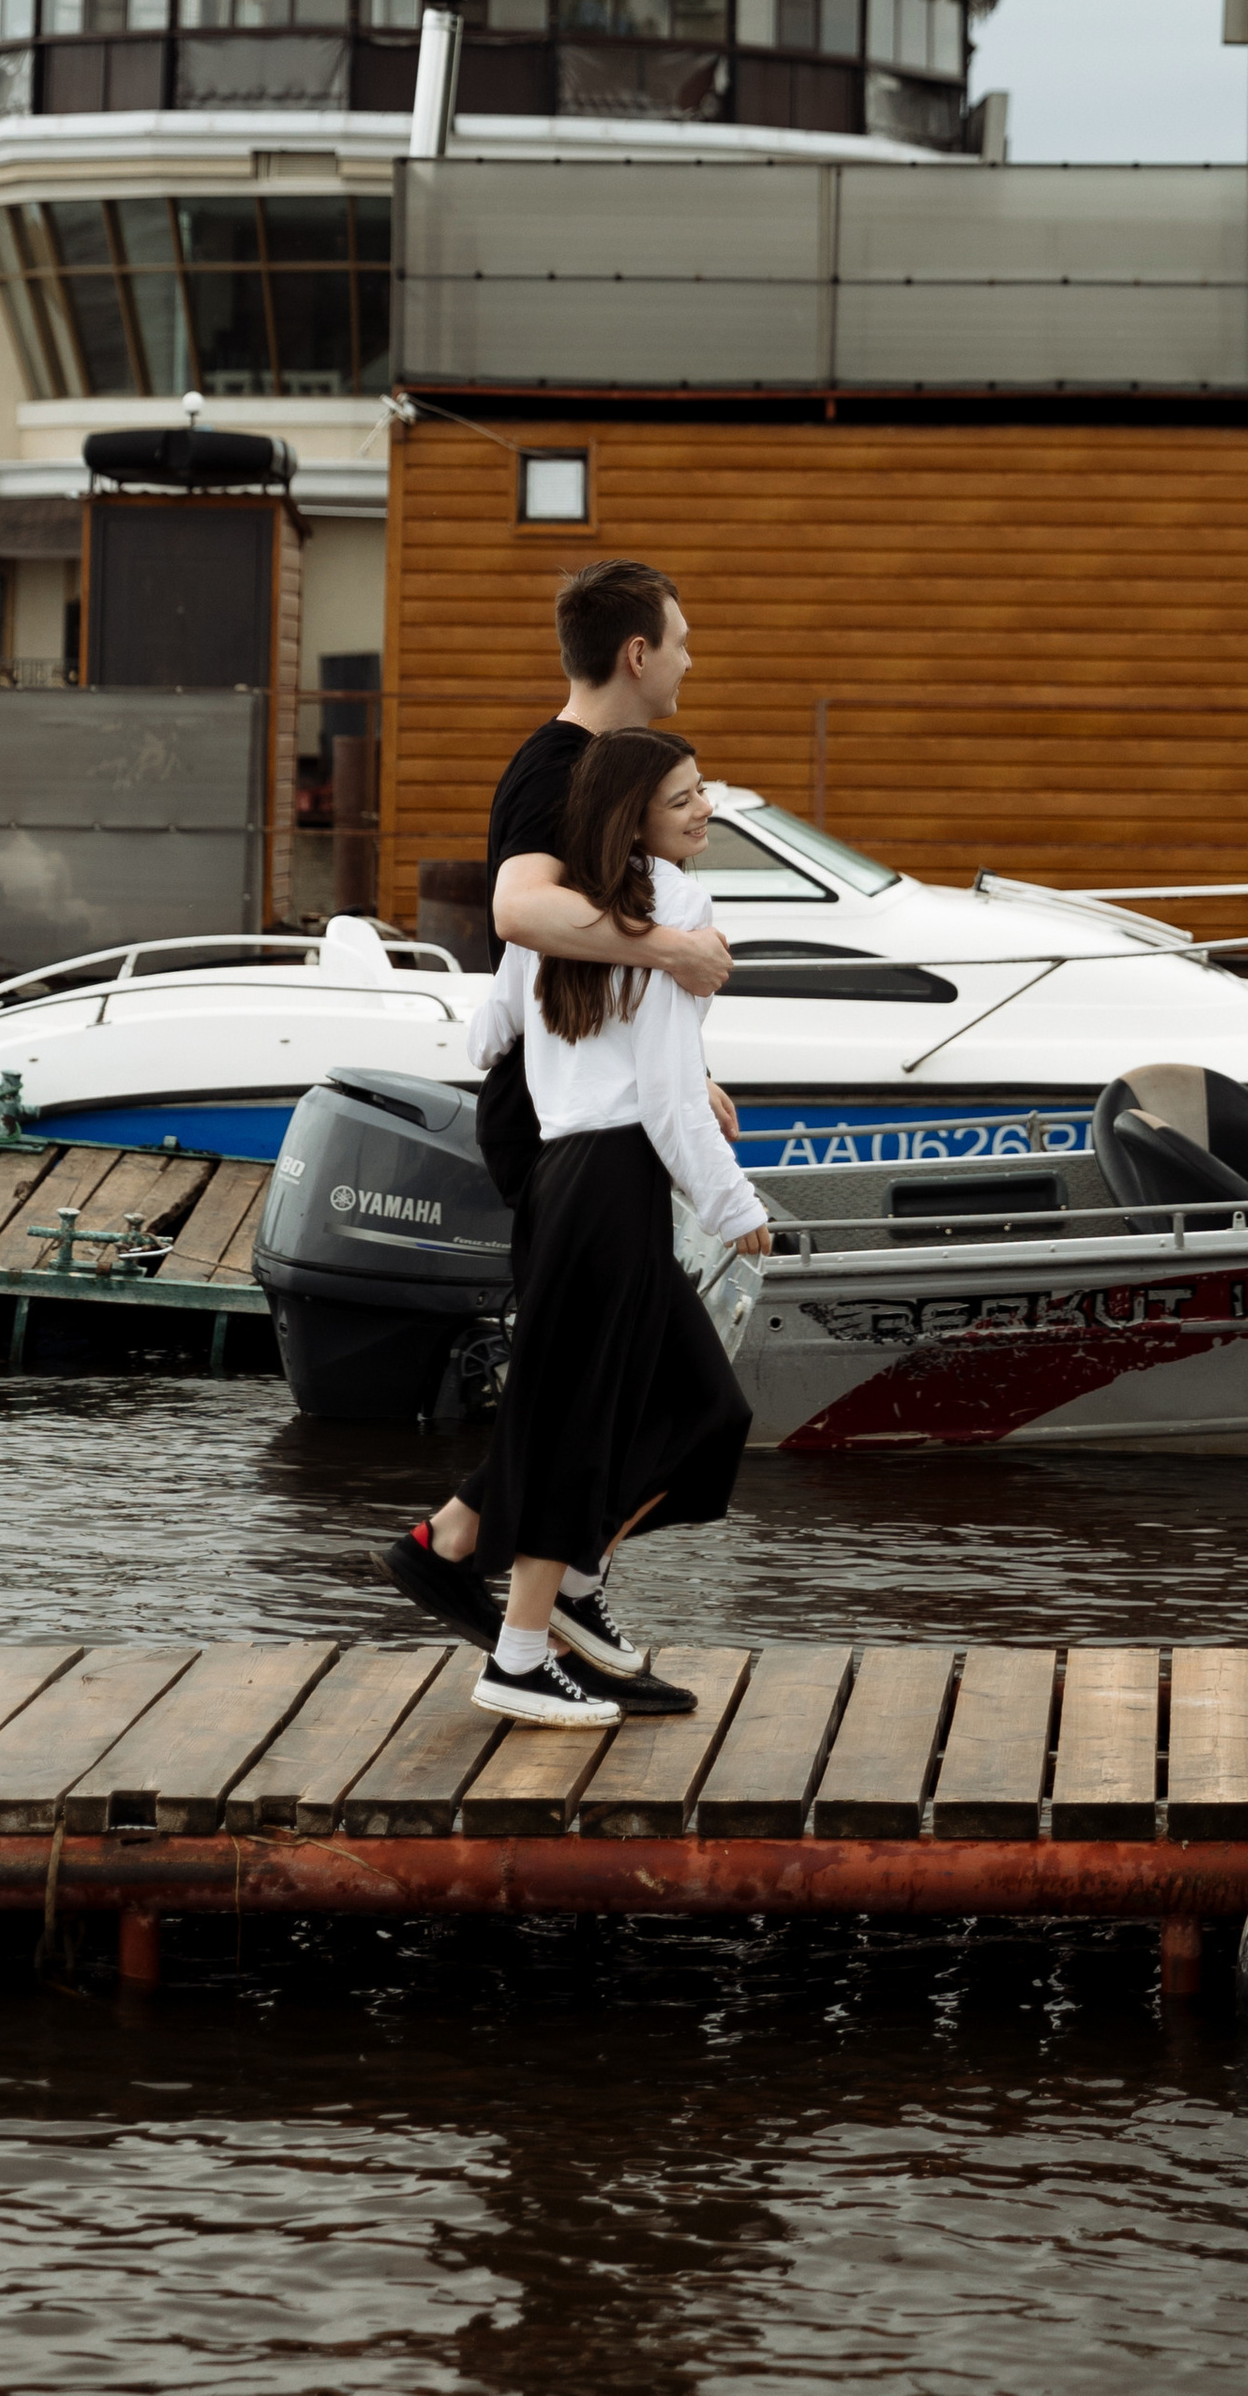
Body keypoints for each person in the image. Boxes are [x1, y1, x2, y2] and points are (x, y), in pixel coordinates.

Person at [382, 560, 737, 1679]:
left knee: (670, 1396)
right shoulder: (561, 769)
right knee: (597, 1380)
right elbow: (519, 911)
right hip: (558, 1129)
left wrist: (683, 1068)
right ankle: (527, 1605)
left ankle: (483, 1552)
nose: (688, 658)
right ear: (637, 654)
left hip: (590, 1108)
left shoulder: (602, 770)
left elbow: (583, 967)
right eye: (679, 640)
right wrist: (677, 950)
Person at [450, 725, 770, 1728]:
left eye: (701, 792)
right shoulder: (674, 906)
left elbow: (488, 1026)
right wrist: (735, 1210)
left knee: (642, 1412)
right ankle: (515, 1655)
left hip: (562, 1168)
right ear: (633, 816)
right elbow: (672, 1098)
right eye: (682, 799)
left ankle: (571, 1595)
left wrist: (561, 1051)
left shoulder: (561, 918)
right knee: (582, 1423)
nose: (702, 810)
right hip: (619, 1173)